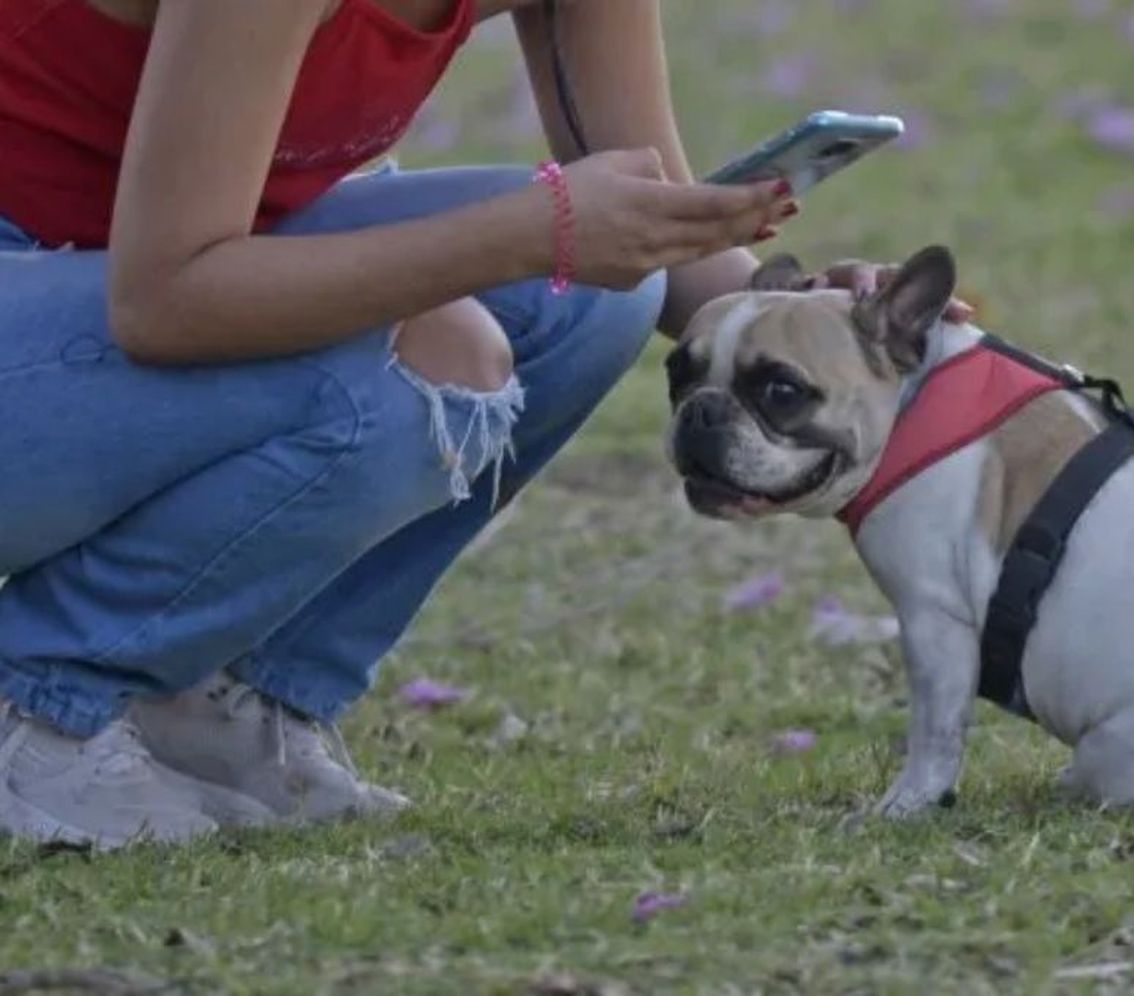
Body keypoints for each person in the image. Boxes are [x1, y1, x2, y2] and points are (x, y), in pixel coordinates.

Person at [0, 0, 970, 849]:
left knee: (590, 302)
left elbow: (659, 251)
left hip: (92, 295)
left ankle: (226, 703)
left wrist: (839, 335)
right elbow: (166, 300)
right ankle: (36, 702)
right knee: (426, 348)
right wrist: (533, 231)